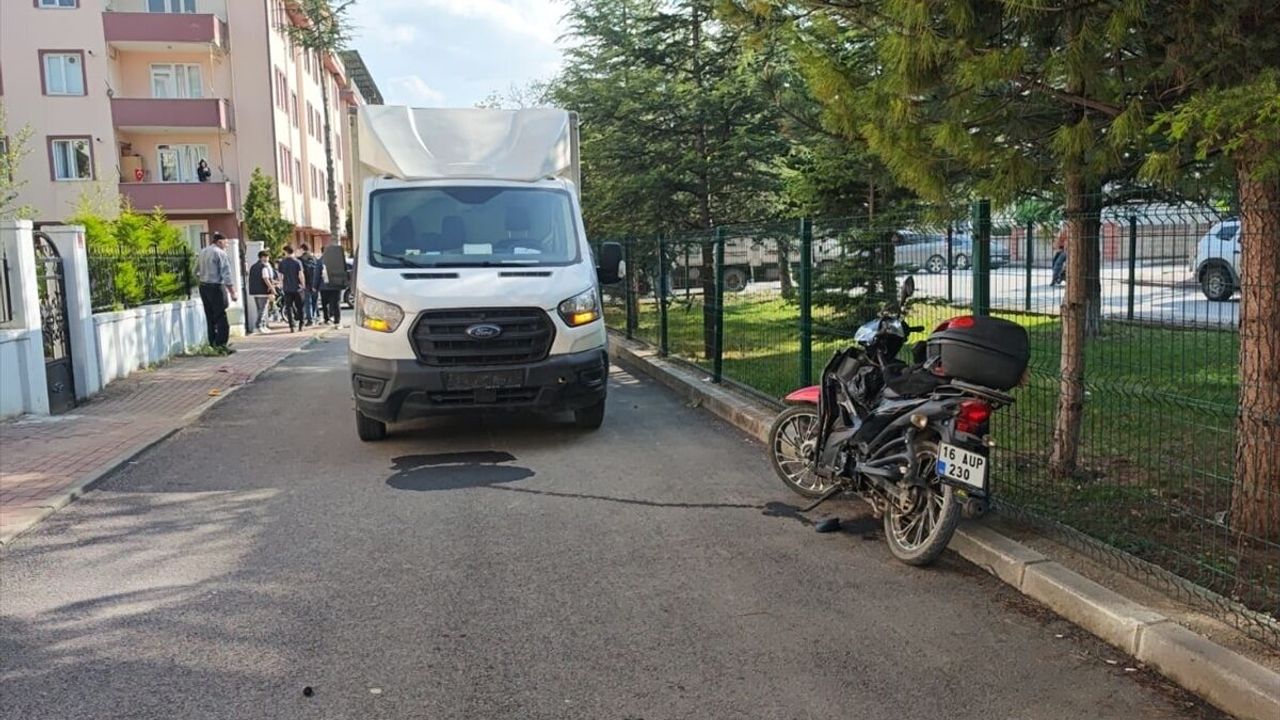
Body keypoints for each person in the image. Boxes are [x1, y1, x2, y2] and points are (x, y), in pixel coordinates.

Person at [196, 232, 237, 353]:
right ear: (219, 242)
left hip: (204, 287)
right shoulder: (220, 253)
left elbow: (195, 270)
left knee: (209, 316)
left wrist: (201, 282)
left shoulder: (202, 252)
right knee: (221, 316)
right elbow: (226, 274)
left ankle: (212, 343)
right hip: (216, 287)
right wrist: (232, 292)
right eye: (225, 243)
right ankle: (221, 345)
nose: (227, 245)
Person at [277, 245, 306, 332]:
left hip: (287, 288)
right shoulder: (297, 262)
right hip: (297, 288)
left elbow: (280, 275)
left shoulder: (282, 263)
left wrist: (281, 284)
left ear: (286, 252)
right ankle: (301, 324)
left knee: (289, 307)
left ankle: (291, 326)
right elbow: (300, 274)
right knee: (300, 307)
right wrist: (303, 284)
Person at [247, 250, 277, 332]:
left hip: (255, 291)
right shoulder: (264, 267)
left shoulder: (253, 266)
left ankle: (262, 325)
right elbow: (266, 279)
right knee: (263, 310)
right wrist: (272, 289)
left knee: (260, 309)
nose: (267, 258)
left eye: (267, 257)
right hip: (263, 291)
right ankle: (258, 326)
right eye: (266, 257)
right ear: (261, 257)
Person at [320, 244, 348, 326]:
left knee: (325, 303)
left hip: (325, 286)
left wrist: (315, 286)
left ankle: (327, 319)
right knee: (336, 303)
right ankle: (337, 320)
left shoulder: (321, 260)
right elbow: (345, 270)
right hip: (336, 285)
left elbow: (317, 274)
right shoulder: (337, 259)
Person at [299, 243, 323, 327]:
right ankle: (316, 317)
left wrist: (301, 283)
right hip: (315, 283)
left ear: (302, 249)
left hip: (306, 283)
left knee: (307, 302)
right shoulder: (314, 258)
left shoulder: (301, 259)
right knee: (314, 301)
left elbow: (300, 272)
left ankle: (310, 320)